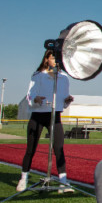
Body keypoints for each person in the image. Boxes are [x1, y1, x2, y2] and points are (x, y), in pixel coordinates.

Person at [16, 49, 74, 192]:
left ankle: (63, 182)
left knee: (59, 148)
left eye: (57, 58)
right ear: (46, 59)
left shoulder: (63, 77)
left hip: (55, 116)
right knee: (31, 149)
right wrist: (35, 99)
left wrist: (67, 100)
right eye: (53, 58)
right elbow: (30, 94)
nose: (55, 60)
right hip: (38, 115)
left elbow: (64, 98)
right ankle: (23, 178)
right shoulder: (37, 75)